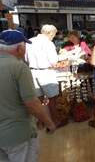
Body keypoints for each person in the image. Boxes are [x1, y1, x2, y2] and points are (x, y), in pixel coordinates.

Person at [0, 30, 56, 162]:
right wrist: (49, 123)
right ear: (19, 48)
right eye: (24, 46)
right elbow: (32, 103)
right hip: (17, 133)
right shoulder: (18, 67)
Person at [25, 24, 60, 126]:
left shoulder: (30, 41)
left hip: (32, 71)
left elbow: (26, 59)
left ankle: (40, 122)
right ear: (50, 33)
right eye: (53, 35)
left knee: (38, 99)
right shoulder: (48, 43)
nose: (53, 36)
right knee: (52, 99)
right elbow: (53, 61)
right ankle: (55, 121)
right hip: (46, 72)